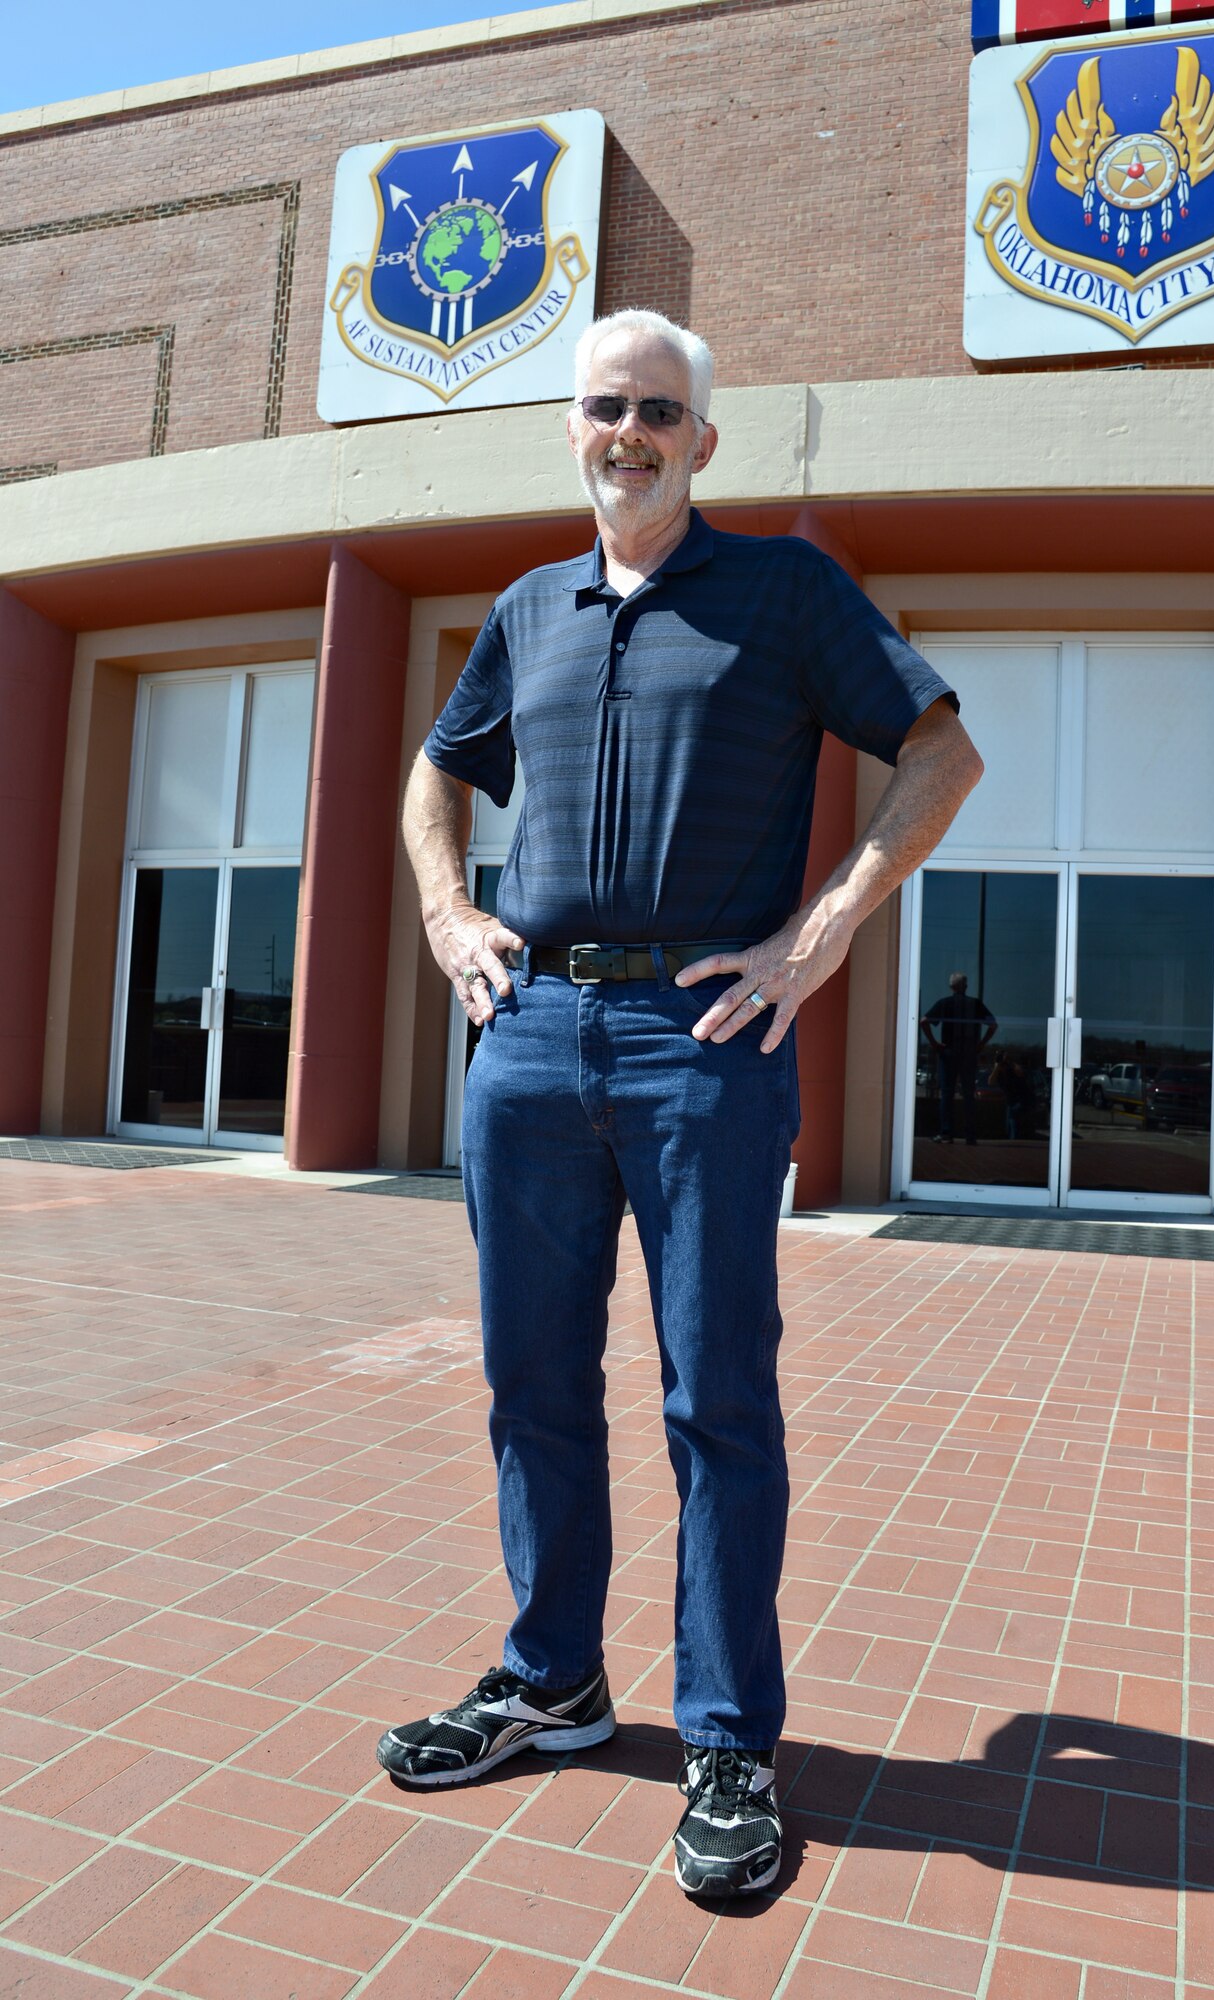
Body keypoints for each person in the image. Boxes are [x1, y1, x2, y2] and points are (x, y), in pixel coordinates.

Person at [376, 308, 983, 1898]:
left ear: (703, 443)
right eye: (603, 408)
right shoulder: (526, 609)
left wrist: (824, 927)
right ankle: (553, 1685)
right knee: (530, 1384)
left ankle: (726, 1739)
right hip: (529, 1036)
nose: (627, 432)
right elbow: (436, 774)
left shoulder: (783, 591)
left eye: (658, 411)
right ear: (572, 431)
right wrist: (450, 915)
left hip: (702, 1046)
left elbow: (939, 753)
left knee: (716, 1399)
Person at [922, 972, 997, 1143]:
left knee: (947, 1093)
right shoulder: (975, 1004)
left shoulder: (944, 1004)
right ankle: (970, 1135)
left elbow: (923, 1021)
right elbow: (993, 1025)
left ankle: (946, 1133)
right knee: (969, 1094)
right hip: (969, 1053)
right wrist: (981, 1044)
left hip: (949, 1052)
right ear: (966, 986)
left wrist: (934, 1043)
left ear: (951, 987)